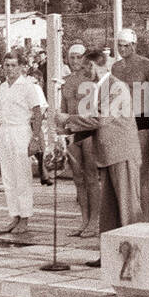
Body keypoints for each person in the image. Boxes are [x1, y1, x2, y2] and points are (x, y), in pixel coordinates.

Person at [60, 48, 143, 265]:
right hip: (107, 155)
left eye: (87, 65)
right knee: (109, 210)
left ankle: (134, 257)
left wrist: (69, 118)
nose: (84, 70)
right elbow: (94, 123)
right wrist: (68, 130)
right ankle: (109, 255)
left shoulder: (116, 86)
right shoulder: (100, 87)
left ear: (95, 65)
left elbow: (101, 119)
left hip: (122, 152)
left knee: (127, 207)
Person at [0, 51, 47, 235]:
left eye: (13, 65)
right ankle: (14, 216)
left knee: (22, 177)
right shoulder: (2, 87)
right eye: (6, 65)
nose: (9, 69)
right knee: (8, 177)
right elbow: (1, 111)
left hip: (21, 131)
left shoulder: (28, 86)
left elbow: (38, 112)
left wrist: (35, 138)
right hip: (5, 131)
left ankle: (25, 217)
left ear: (21, 67)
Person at [112, 27, 149, 221]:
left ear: (134, 45)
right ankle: (128, 217)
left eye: (126, 46)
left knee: (141, 173)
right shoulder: (115, 68)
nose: (122, 49)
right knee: (123, 172)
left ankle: (145, 219)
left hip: (141, 118)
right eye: (119, 46)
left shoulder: (148, 66)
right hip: (120, 121)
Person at [60, 43, 101, 237]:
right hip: (73, 131)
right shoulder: (66, 81)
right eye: (72, 57)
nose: (75, 61)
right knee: (78, 178)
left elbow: (96, 111)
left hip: (89, 131)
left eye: (78, 57)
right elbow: (64, 108)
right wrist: (61, 130)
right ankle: (84, 219)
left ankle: (95, 220)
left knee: (91, 177)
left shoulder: (91, 80)